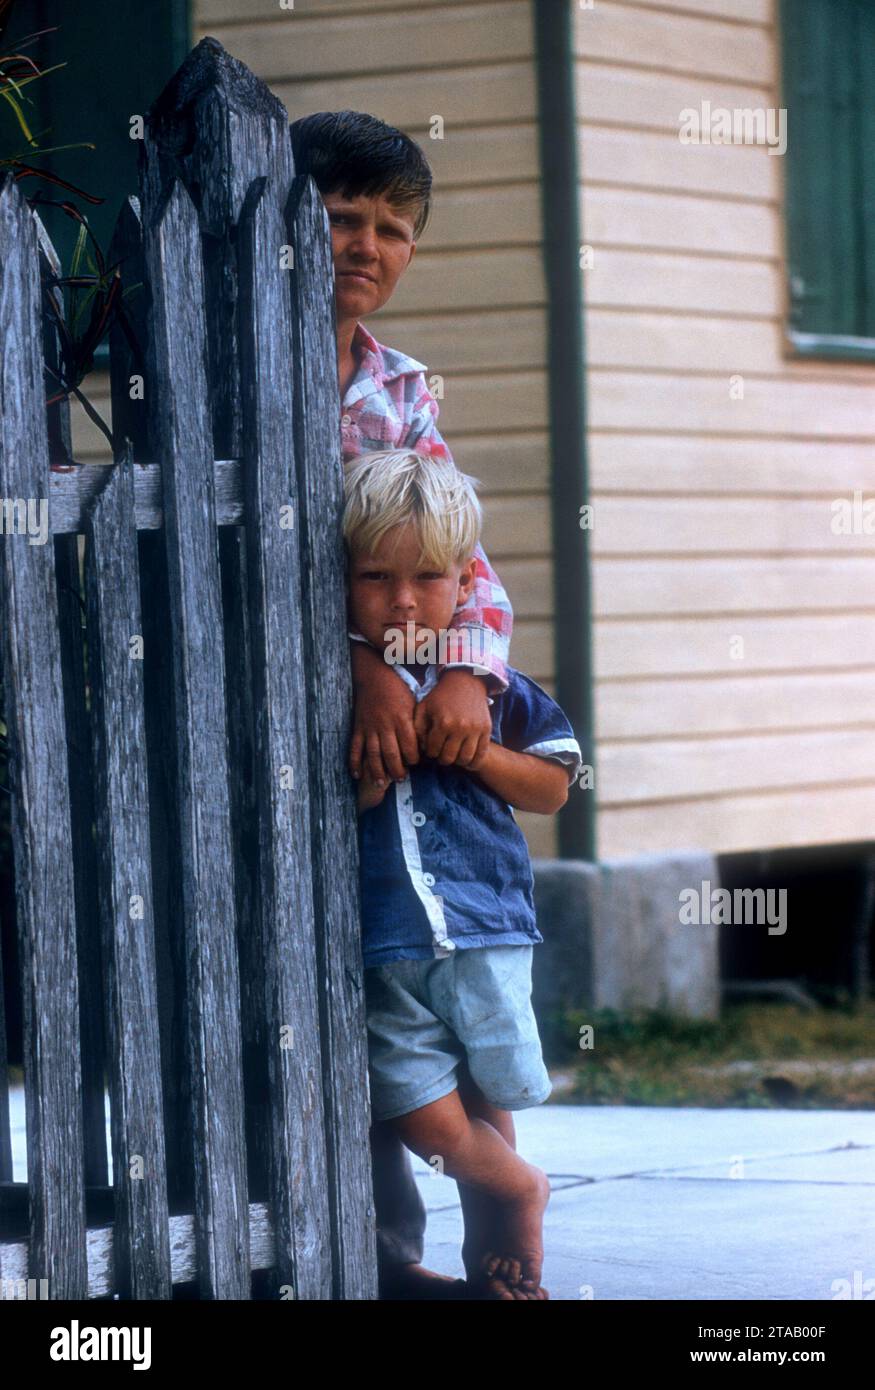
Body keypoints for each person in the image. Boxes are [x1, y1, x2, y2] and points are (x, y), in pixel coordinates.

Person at [289, 108, 516, 1299]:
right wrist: (357, 654)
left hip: (398, 750)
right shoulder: (234, 374)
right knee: (313, 999)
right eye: (338, 218)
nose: (362, 246)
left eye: (390, 229)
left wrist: (464, 666)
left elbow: (451, 554)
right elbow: (259, 565)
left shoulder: (398, 389)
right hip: (275, 735)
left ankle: (483, 1249)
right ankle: (358, 1255)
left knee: (415, 981)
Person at [343, 449, 582, 1299]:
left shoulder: (489, 686)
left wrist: (478, 753)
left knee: (487, 1088)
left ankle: (498, 1249)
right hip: (384, 943)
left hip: (486, 930)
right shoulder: (342, 687)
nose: (403, 600)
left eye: (429, 577)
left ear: (464, 581)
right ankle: (514, 1185)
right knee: (409, 1098)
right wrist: (372, 775)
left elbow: (555, 784)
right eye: (374, 576)